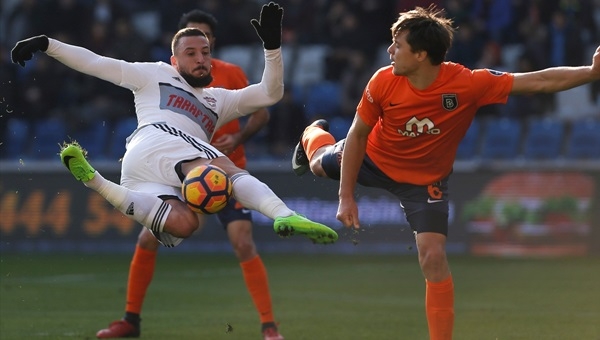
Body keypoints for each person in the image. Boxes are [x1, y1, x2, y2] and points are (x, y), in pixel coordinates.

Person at [11, 1, 338, 337]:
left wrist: (272, 47)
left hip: (143, 176)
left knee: (184, 224)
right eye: (191, 53)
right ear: (174, 60)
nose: (200, 59)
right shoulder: (154, 74)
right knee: (220, 166)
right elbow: (95, 63)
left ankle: (94, 180)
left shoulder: (218, 100)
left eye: (205, 52)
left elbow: (270, 93)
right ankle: (282, 213)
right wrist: (47, 43)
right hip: (159, 142)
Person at [292, 5, 600, 340]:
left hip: (424, 182)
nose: (389, 51)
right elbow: (357, 134)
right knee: (317, 165)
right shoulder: (382, 80)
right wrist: (346, 196)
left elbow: (538, 81)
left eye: (398, 45)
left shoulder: (467, 83)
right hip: (373, 158)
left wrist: (592, 72)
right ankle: (311, 132)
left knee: (433, 257)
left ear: (422, 54)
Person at [87, 9, 285, 339]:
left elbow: (262, 110)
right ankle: (130, 320)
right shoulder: (168, 77)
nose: (197, 53)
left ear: (212, 43)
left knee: (242, 242)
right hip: (178, 174)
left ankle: (269, 326)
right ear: (177, 51)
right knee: (148, 237)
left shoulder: (229, 74)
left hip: (225, 170)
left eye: (203, 42)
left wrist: (236, 138)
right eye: (189, 45)